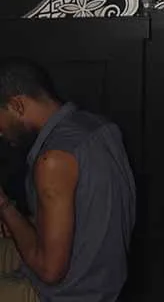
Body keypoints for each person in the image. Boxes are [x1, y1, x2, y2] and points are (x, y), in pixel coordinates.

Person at [0, 59, 136, 302]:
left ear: (17, 105)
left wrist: (5, 206)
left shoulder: (52, 160)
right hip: (104, 279)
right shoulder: (100, 127)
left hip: (69, 293)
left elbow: (49, 271)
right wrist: (22, 222)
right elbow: (88, 215)